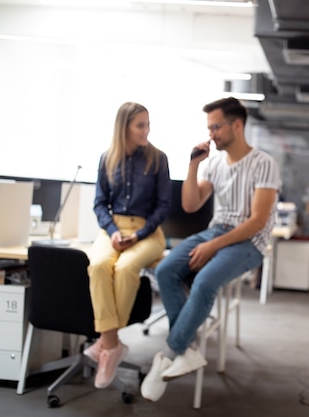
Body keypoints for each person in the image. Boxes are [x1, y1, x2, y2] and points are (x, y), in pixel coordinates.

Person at [140, 97, 281, 402]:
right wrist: (194, 165)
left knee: (204, 281)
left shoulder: (263, 163)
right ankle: (187, 349)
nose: (212, 134)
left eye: (216, 127)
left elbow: (257, 221)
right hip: (216, 231)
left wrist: (213, 246)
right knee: (165, 270)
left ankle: (167, 354)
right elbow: (191, 204)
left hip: (249, 242)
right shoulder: (215, 163)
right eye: (209, 127)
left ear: (237, 125)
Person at [85, 102, 171, 389]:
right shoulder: (107, 158)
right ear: (124, 128)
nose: (147, 130)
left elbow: (163, 207)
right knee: (97, 265)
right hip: (114, 229)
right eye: (140, 125)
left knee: (126, 267)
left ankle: (106, 343)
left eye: (147, 124)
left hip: (148, 232)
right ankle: (113, 344)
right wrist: (111, 231)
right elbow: (99, 203)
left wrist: (139, 234)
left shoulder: (158, 159)